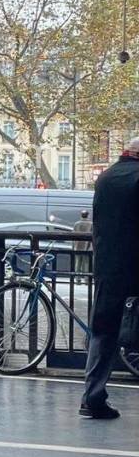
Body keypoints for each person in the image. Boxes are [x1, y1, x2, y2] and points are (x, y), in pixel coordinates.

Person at [80, 139, 139, 420]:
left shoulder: (105, 178)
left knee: (103, 331)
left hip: (107, 266)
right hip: (134, 264)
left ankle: (92, 396)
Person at [72, 208, 93, 276]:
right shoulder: (91, 224)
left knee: (77, 263)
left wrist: (73, 246)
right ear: (88, 215)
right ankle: (86, 279)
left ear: (81, 215)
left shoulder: (76, 224)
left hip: (77, 246)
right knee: (86, 264)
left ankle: (78, 278)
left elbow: (73, 235)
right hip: (87, 247)